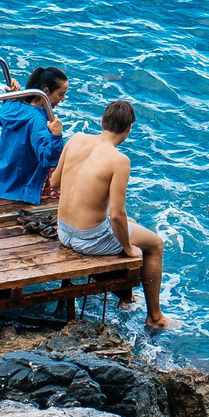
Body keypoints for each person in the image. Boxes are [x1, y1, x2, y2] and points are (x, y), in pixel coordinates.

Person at [52, 98, 172, 333]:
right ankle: (155, 317)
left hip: (63, 231)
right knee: (155, 244)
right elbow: (116, 215)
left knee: (132, 224)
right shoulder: (119, 160)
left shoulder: (76, 139)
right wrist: (127, 248)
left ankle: (126, 297)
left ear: (102, 121)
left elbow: (55, 182)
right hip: (88, 240)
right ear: (128, 129)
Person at [0, 66, 68, 208]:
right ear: (46, 91)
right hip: (21, 187)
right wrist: (56, 135)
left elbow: (2, 120)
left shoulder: (14, 104)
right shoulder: (37, 120)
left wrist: (12, 96)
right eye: (61, 94)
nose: (63, 99)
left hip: (1, 179)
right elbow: (47, 159)